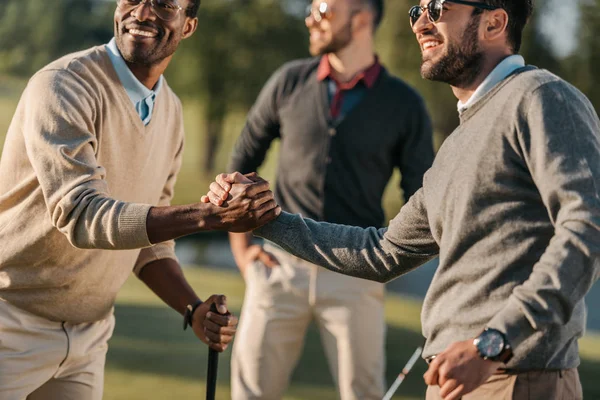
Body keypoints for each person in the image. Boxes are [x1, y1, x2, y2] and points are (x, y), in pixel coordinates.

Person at [204, 0, 600, 399]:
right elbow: (382, 251)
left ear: (495, 22)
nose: (421, 23)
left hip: (517, 376)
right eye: (417, 11)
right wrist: (263, 220)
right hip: (457, 378)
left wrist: (494, 343)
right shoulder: (457, 143)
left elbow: (588, 229)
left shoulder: (542, 97)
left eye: (438, 7)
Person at [0, 0, 280, 398]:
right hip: (9, 320)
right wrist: (210, 216)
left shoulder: (171, 112)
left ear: (188, 26)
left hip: (89, 337)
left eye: (165, 5)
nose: (144, 13)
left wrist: (193, 309)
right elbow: (82, 214)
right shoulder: (63, 85)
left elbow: (150, 245)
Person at [220, 0, 434, 398]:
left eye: (323, 9)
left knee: (363, 393)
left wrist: (389, 260)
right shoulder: (289, 81)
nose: (311, 18)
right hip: (277, 267)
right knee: (250, 391)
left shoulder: (405, 104)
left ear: (362, 18)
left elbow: (421, 200)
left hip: (358, 274)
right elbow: (239, 166)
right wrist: (242, 252)